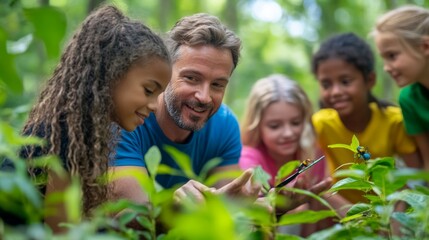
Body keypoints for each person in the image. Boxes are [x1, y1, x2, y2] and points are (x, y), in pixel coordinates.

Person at [111, 13, 331, 215]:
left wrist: (274, 205)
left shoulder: (224, 125)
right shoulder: (129, 117)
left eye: (217, 84)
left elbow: (230, 206)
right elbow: (132, 216)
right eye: (191, 78)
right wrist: (178, 209)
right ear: (165, 72)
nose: (204, 96)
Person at [1, 5, 171, 232]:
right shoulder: (64, 134)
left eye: (160, 95)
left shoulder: (85, 134)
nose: (154, 106)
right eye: (149, 90)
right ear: (111, 75)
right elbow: (63, 234)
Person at [311, 32, 421, 204]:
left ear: (370, 80)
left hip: (384, 208)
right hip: (339, 210)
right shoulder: (321, 124)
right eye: (326, 84)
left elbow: (414, 176)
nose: (335, 92)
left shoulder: (393, 121)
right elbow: (314, 177)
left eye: (345, 81)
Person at [239, 74, 326, 236]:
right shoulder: (249, 159)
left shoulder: (312, 154)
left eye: (295, 123)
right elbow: (251, 215)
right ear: (258, 126)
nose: (288, 133)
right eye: (274, 126)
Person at [373, 5, 429, 172]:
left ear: (425, 46)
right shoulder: (408, 99)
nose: (386, 68)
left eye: (392, 56)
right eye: (384, 59)